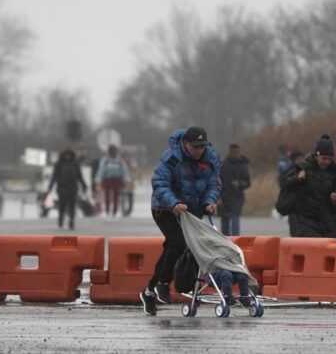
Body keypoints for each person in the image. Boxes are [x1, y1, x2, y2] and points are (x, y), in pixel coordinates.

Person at [140, 126, 221, 316]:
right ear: (185, 144)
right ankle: (163, 283)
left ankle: (150, 291)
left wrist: (209, 202)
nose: (199, 151)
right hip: (165, 208)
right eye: (195, 147)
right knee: (177, 241)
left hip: (191, 210)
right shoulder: (172, 158)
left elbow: (214, 183)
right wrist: (173, 202)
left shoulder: (211, 158)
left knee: (191, 247)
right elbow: (159, 183)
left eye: (202, 146)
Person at [279, 135, 336, 238]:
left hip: (326, 219)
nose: (326, 162)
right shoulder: (304, 167)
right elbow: (283, 182)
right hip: (305, 219)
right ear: (317, 155)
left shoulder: (334, 172)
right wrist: (297, 179)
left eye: (329, 159)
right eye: (324, 158)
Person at [47, 149, 87, 230]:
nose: (67, 157)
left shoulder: (75, 164)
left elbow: (79, 175)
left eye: (69, 155)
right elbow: (54, 176)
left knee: (72, 206)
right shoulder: (59, 164)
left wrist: (84, 185)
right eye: (66, 155)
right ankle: (61, 219)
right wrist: (50, 187)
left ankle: (71, 221)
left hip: (72, 187)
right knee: (62, 205)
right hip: (62, 187)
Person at [218, 143, 251, 236]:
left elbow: (248, 182)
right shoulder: (223, 165)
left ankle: (236, 241)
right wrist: (218, 197)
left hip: (237, 196)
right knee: (224, 220)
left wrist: (240, 184)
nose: (236, 154)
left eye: (237, 152)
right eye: (234, 152)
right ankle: (225, 240)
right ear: (230, 152)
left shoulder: (243, 165)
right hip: (224, 196)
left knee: (235, 218)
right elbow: (218, 182)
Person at [94, 145, 131, 217]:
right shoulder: (105, 160)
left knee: (116, 196)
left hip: (117, 179)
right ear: (109, 152)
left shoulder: (120, 160)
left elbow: (124, 171)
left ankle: (114, 211)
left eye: (114, 151)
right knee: (107, 195)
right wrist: (98, 179)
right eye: (112, 151)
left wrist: (127, 179)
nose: (113, 152)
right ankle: (107, 210)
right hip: (107, 179)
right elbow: (101, 170)